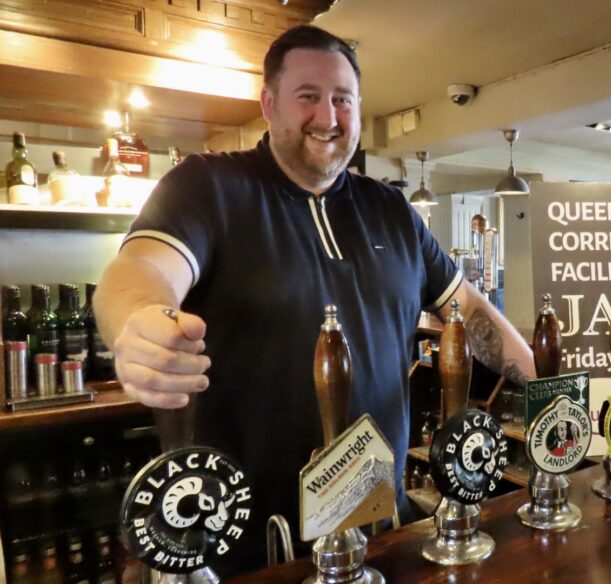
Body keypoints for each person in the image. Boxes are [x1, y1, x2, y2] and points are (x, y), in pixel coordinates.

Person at [94, 24, 534, 576]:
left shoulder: (392, 211)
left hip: (377, 531)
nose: (328, 118)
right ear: (269, 103)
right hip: (246, 545)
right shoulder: (208, 187)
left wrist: (541, 383)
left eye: (342, 100)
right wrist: (138, 323)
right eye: (308, 97)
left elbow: (466, 310)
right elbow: (139, 268)